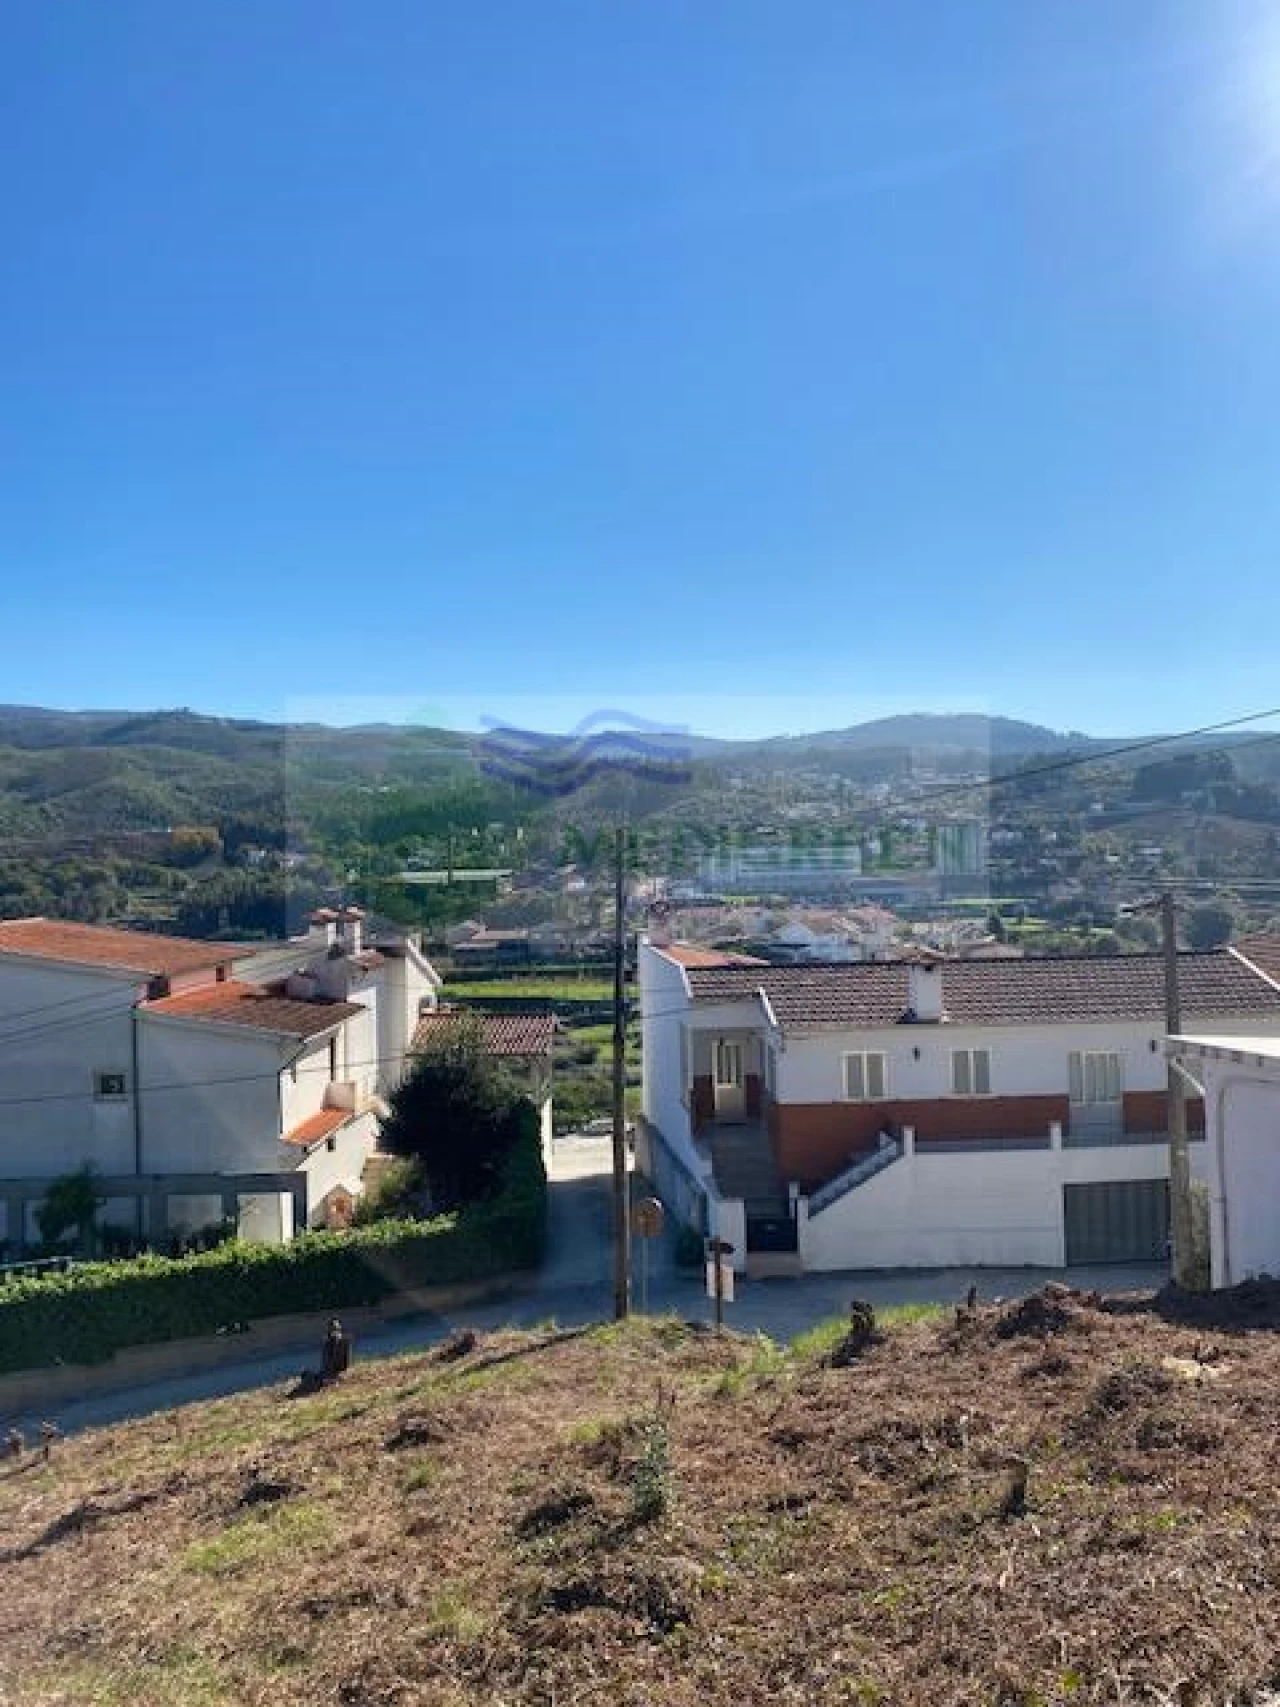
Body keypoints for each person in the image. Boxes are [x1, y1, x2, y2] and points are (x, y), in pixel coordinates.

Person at [319, 1318, 352, 1383]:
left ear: (340, 1328)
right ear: (330, 1330)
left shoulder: (345, 1341)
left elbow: (347, 1359)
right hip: (329, 1371)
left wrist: (344, 1371)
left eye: (337, 1329)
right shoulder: (327, 1343)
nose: (335, 1331)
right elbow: (326, 1362)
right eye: (333, 1329)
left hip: (340, 1369)